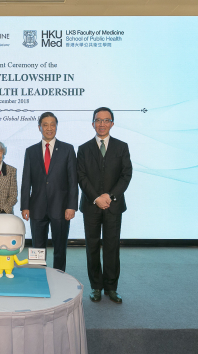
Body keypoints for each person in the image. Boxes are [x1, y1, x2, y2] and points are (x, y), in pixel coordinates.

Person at [77, 107, 132, 304]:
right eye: (98, 120)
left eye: (106, 120)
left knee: (111, 247)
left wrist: (110, 196)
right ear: (93, 124)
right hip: (91, 206)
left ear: (112, 123)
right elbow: (81, 177)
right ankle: (96, 287)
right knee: (91, 247)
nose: (102, 124)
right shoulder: (83, 149)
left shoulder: (121, 147)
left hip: (114, 205)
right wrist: (96, 197)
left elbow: (126, 175)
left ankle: (111, 287)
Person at [20, 112, 78, 272]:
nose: (49, 128)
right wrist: (25, 205)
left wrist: (71, 206)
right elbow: (26, 181)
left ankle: (60, 278)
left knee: (60, 248)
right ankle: (38, 278)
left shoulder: (67, 149)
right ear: (39, 127)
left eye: (52, 124)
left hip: (61, 207)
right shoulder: (30, 151)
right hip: (37, 207)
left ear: (56, 127)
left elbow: (73, 180)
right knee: (38, 249)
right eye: (45, 124)